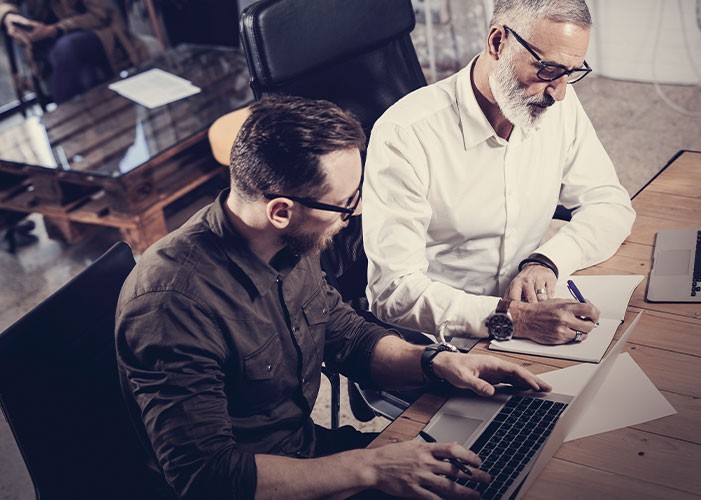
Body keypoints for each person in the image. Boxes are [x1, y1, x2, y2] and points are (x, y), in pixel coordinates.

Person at [116, 94, 552, 499]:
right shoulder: (171, 304)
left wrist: (436, 363)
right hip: (256, 484)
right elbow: (208, 477)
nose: (357, 213)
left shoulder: (288, 240)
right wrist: (374, 467)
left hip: (308, 453)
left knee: (504, 469)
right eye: (346, 204)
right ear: (281, 210)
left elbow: (343, 334)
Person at [363, 0, 635, 346]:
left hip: (531, 316)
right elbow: (392, 291)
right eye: (548, 69)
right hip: (443, 340)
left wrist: (546, 261)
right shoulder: (406, 133)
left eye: (571, 72)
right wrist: (514, 318)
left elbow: (610, 203)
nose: (561, 92)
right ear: (497, 42)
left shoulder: (558, 105)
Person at [0, 0, 148, 103]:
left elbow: (99, 16)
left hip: (98, 34)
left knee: (67, 50)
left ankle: (63, 127)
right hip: (47, 43)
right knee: (72, 64)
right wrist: (9, 16)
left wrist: (55, 29)